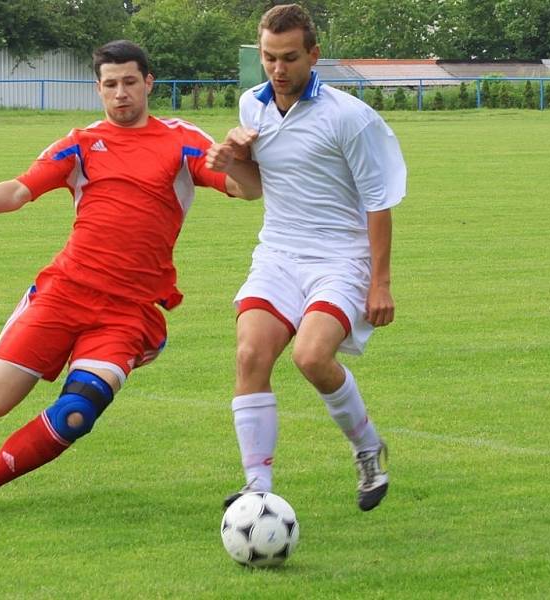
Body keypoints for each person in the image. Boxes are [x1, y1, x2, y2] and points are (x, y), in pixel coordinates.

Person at [0, 40, 261, 519]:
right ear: (98, 88)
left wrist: (240, 162)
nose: (121, 93)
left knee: (76, 413)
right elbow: (19, 191)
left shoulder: (182, 140)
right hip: (65, 292)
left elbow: (245, 190)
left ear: (148, 82)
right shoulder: (80, 143)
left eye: (129, 82)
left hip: (127, 313)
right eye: (110, 85)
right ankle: (41, 344)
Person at [207, 3, 406, 512]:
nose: (278, 69)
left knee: (312, 357)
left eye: (290, 58)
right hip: (277, 251)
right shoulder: (251, 106)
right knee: (251, 354)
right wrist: (233, 160)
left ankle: (367, 450)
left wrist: (379, 283)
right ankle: (258, 490)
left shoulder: (349, 117)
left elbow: (378, 201)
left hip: (340, 257)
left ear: (314, 55)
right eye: (270, 58)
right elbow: (250, 189)